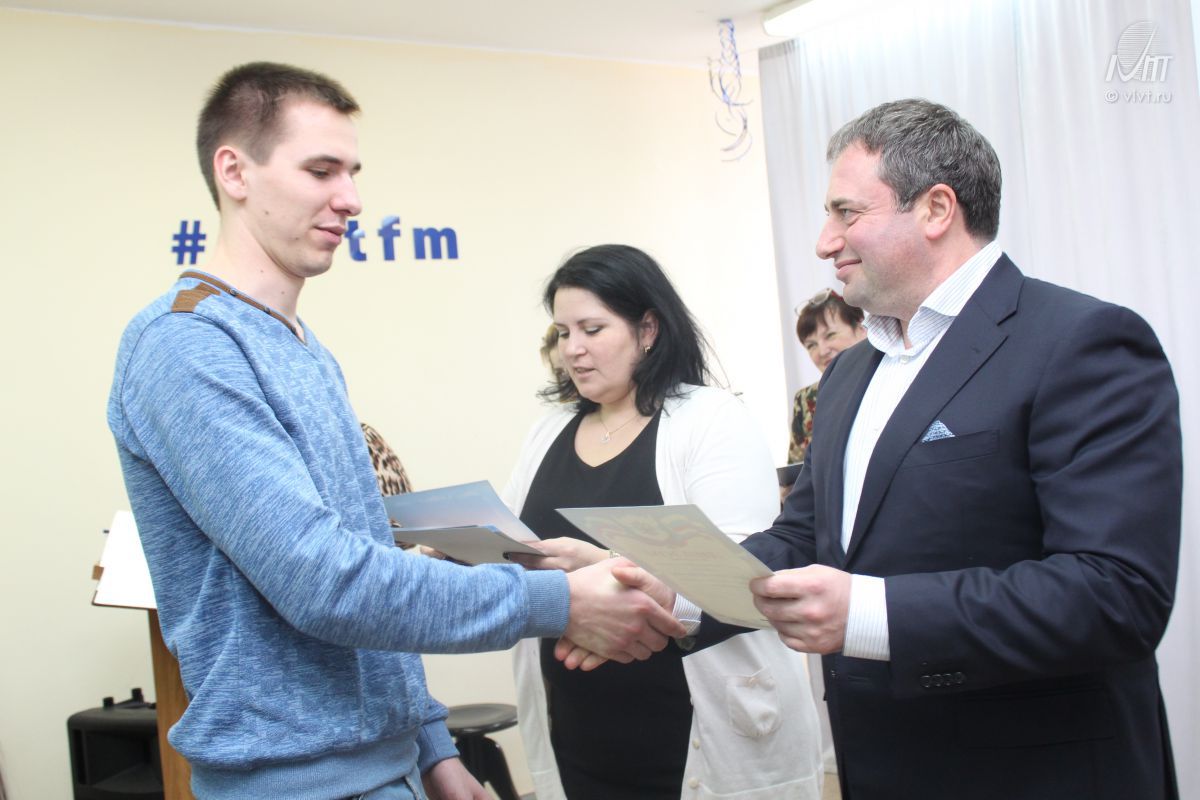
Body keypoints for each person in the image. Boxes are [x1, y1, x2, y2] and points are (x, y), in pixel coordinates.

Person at [106, 62, 683, 800]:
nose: (350, 198)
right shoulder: (186, 346)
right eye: (321, 171)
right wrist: (561, 601)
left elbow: (369, 561)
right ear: (234, 172)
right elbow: (325, 583)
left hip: (388, 767)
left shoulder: (303, 348)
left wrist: (432, 746)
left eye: (352, 173)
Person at [576, 99, 1183, 799]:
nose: (823, 242)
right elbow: (803, 537)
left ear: (936, 209)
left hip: (1039, 772)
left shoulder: (1081, 342)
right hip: (883, 764)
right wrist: (676, 592)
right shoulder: (849, 376)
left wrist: (869, 614)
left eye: (846, 213)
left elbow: (1116, 595)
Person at [504, 245, 823, 800]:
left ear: (647, 329)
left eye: (592, 329)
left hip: (695, 730)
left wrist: (606, 564)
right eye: (562, 332)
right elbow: (518, 543)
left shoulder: (710, 420)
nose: (572, 349)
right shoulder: (548, 432)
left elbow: (748, 579)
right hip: (578, 730)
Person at [786, 289, 865, 464]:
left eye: (830, 335)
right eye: (811, 345)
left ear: (861, 329)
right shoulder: (806, 400)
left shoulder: (888, 379)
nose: (822, 351)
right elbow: (796, 470)